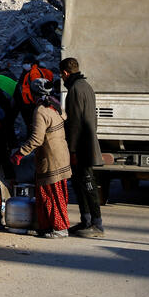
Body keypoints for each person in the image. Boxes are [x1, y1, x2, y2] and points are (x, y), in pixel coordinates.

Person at [10, 77, 71, 238]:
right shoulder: (55, 106)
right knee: (56, 193)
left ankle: (59, 228)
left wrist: (20, 153)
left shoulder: (40, 111)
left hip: (51, 159)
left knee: (52, 195)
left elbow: (37, 139)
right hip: (61, 156)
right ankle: (48, 226)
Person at [60, 57, 104, 238]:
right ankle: (86, 220)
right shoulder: (86, 87)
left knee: (87, 184)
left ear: (65, 73)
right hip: (86, 143)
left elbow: (75, 123)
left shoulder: (75, 90)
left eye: (61, 76)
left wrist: (72, 150)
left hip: (80, 147)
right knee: (80, 184)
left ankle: (96, 223)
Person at [14, 55, 55, 132]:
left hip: (31, 104)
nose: (25, 65)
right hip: (29, 103)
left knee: (34, 125)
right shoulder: (28, 72)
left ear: (32, 63)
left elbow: (37, 89)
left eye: (27, 63)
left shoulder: (34, 73)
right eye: (24, 63)